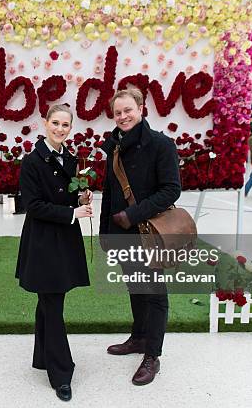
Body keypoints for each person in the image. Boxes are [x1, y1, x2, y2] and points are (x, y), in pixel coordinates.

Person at [99, 89, 181, 386]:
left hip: (151, 233)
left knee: (155, 295)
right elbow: (110, 191)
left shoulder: (161, 144)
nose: (122, 116)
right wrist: (106, 234)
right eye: (118, 112)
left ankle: (152, 355)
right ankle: (138, 338)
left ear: (141, 109)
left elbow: (171, 190)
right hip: (122, 232)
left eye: (127, 110)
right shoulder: (115, 146)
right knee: (136, 287)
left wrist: (133, 215)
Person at [15, 104, 93, 402]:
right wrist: (73, 212)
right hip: (44, 242)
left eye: (66, 125)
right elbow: (33, 206)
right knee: (53, 302)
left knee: (49, 300)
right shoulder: (32, 162)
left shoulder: (72, 160)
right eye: (56, 123)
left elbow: (70, 193)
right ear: (45, 123)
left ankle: (42, 358)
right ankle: (61, 373)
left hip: (63, 239)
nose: (60, 129)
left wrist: (82, 196)